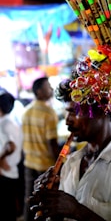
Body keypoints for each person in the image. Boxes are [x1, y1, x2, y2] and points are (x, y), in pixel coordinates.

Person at [29, 77, 111, 221]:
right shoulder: (72, 162)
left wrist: (77, 211)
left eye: (74, 112)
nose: (67, 120)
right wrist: (51, 201)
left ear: (103, 111)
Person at [22, 76, 60, 221]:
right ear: (39, 92)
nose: (51, 89)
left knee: (29, 199)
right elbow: (52, 144)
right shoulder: (48, 113)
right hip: (45, 165)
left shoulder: (26, 111)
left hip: (29, 162)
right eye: (47, 87)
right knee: (45, 204)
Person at [0, 89, 23, 221]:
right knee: (9, 204)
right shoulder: (11, 122)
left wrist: (1, 159)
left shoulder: (4, 123)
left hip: (5, 171)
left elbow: (11, 146)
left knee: (6, 207)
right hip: (11, 169)